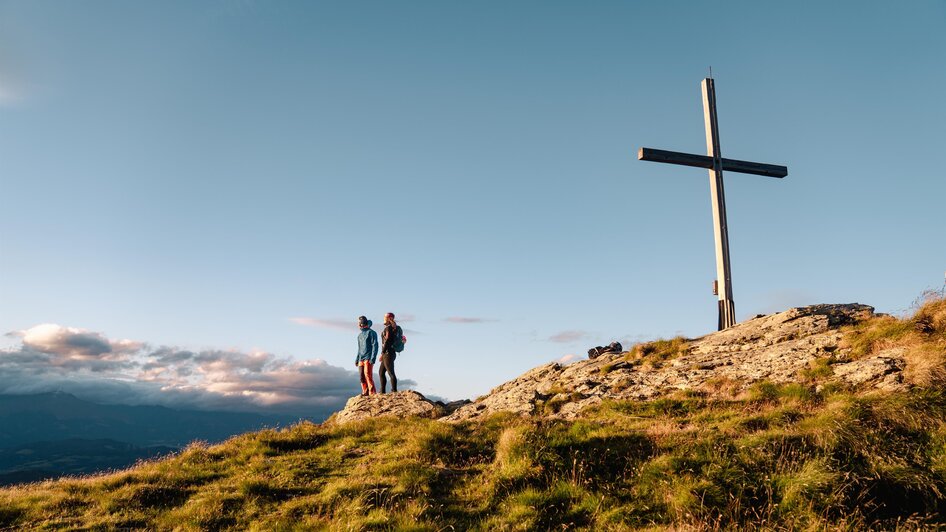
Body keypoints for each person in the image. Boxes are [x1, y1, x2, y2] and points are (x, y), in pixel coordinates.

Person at [378, 312, 402, 393]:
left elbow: (387, 341)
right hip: (389, 353)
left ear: (389, 318)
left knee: (391, 372)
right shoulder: (391, 328)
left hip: (388, 353)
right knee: (381, 372)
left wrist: (382, 353)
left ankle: (394, 390)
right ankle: (382, 391)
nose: (384, 318)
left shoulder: (389, 328)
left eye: (385, 317)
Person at [355, 315, 378, 396]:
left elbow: (375, 345)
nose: (358, 324)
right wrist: (357, 359)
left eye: (359, 323)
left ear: (362, 323)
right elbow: (359, 348)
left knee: (367, 374)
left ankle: (372, 392)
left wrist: (373, 358)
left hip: (368, 357)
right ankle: (365, 391)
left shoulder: (371, 333)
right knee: (361, 376)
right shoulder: (359, 335)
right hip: (361, 358)